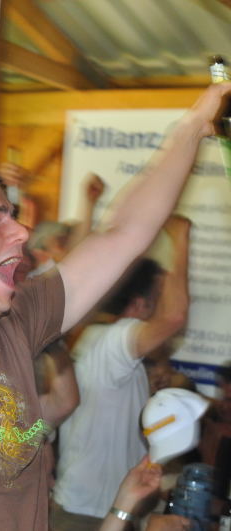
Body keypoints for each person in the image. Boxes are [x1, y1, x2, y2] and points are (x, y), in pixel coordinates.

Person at [0, 0, 231, 527]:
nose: (22, 230)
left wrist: (196, 121)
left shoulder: (18, 320)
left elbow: (125, 232)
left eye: (13, 215)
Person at [53, 216, 192, 530]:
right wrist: (180, 237)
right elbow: (174, 317)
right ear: (140, 305)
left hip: (100, 510)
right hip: (87, 517)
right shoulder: (113, 340)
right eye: (159, 300)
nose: (162, 309)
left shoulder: (102, 342)